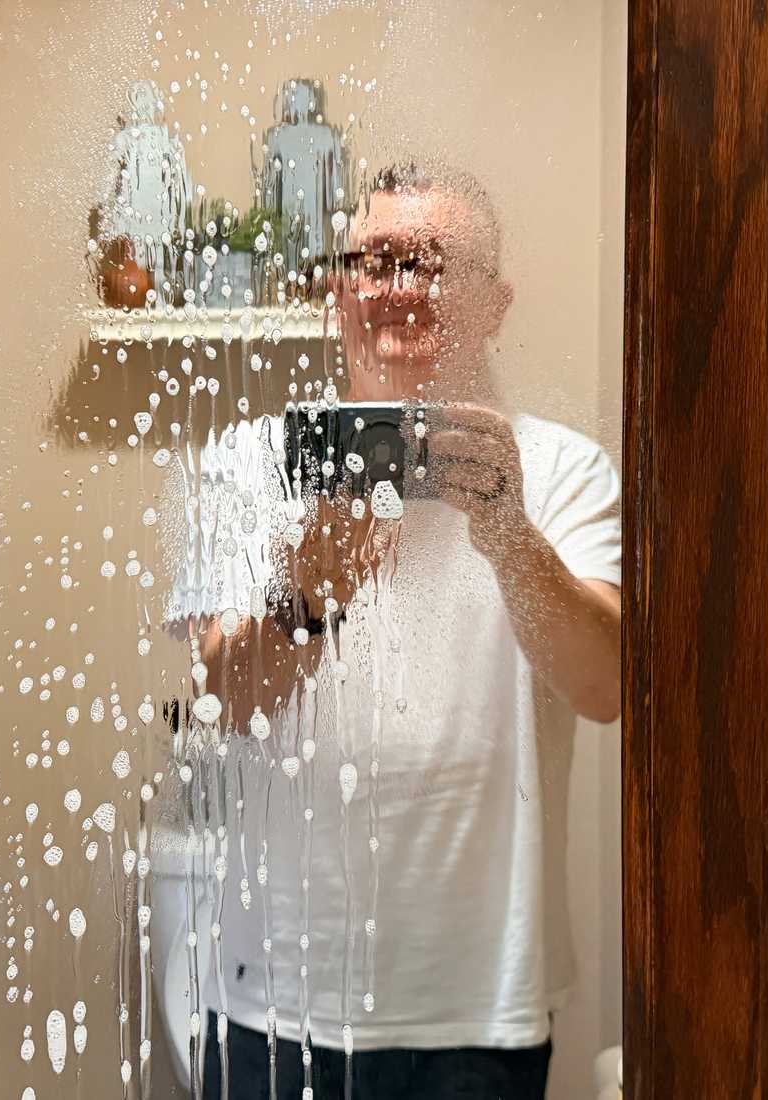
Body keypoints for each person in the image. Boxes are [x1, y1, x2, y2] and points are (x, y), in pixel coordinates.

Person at [155, 163, 622, 1100]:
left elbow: (607, 688)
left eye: (437, 265)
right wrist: (309, 594)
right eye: (376, 262)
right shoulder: (247, 465)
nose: (402, 289)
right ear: (339, 293)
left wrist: (508, 536)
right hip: (272, 996)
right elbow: (226, 707)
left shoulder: (565, 471)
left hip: (480, 1004)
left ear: (495, 303)